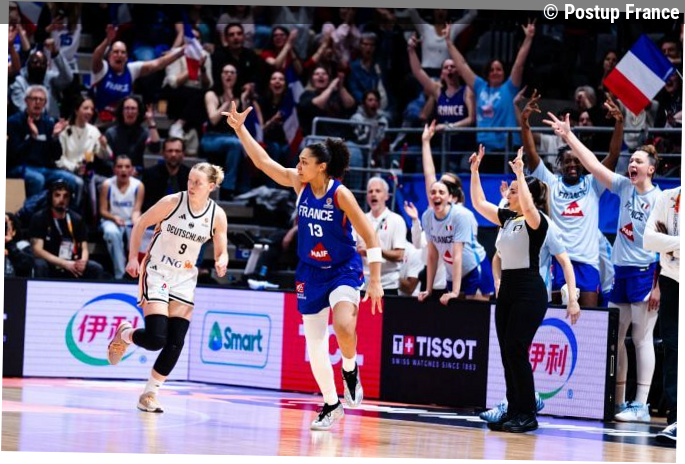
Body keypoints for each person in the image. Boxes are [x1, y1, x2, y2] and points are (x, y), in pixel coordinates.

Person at [224, 102, 384, 431]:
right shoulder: (299, 185)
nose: (297, 166)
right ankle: (331, 404)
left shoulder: (341, 195)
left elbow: (370, 236)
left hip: (342, 269)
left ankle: (350, 370)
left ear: (321, 167)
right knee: (315, 345)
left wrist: (376, 280)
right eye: (298, 161)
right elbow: (263, 162)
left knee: (343, 325)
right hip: (310, 272)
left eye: (304, 162)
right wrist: (240, 129)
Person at [544, 113, 661, 423]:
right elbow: (593, 165)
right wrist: (568, 136)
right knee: (616, 338)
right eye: (631, 160)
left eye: (638, 161)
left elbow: (666, 248)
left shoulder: (659, 199)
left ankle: (641, 405)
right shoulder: (623, 186)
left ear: (651, 169)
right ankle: (619, 401)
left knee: (642, 339)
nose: (632, 163)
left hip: (645, 272)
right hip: (621, 272)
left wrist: (658, 285)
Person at [470, 145, 580, 433]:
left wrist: (520, 174)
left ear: (526, 195)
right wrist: (475, 171)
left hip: (529, 291)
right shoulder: (508, 218)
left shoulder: (537, 221)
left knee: (516, 348)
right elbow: (479, 203)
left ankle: (528, 413)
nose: (508, 195)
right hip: (508, 290)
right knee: (507, 352)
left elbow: (531, 209)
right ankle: (514, 409)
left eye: (514, 192)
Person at [107, 163, 229, 413]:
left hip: (184, 278)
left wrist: (222, 260)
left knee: (175, 342)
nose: (191, 185)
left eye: (198, 182)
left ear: (211, 187)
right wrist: (133, 258)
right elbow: (141, 223)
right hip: (157, 270)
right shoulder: (173, 202)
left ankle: (149, 394)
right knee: (156, 339)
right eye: (190, 180)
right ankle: (125, 334)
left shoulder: (217, 215)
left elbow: (222, 249)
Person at [644, 183, 680, 444]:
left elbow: (659, 241)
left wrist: (668, 244)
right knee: (673, 350)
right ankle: (675, 419)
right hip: (671, 281)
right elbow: (649, 240)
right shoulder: (667, 197)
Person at [99, 155, 144, 280]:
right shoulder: (107, 184)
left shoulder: (138, 186)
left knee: (137, 233)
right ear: (114, 169)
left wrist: (136, 221)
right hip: (110, 219)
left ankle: (137, 274)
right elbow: (102, 211)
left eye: (127, 166)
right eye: (119, 166)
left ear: (132, 169)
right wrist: (114, 218)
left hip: (129, 220)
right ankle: (120, 275)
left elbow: (136, 210)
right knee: (112, 233)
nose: (123, 169)